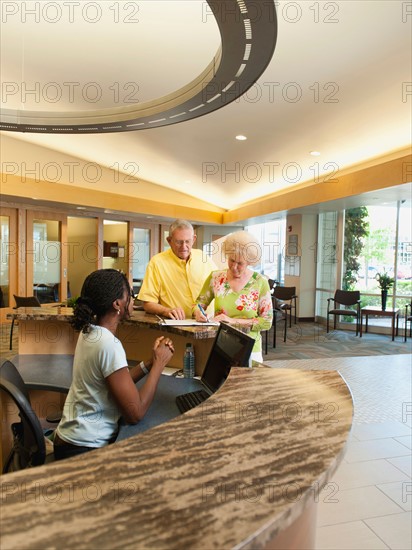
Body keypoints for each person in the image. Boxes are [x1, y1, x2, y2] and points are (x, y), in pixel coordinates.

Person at [54, 269, 174, 460]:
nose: (133, 301)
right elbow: (135, 413)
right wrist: (160, 365)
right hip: (84, 449)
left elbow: (116, 381)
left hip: (70, 440)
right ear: (117, 304)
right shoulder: (108, 344)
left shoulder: (90, 332)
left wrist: (150, 363)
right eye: (130, 295)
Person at [194, 231, 273, 362]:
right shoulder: (216, 277)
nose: (234, 267)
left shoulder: (260, 282)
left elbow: (267, 322)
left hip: (250, 348)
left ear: (249, 262)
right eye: (231, 260)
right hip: (220, 346)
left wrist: (232, 321)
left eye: (240, 263)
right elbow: (198, 304)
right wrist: (198, 312)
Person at [138, 219, 216, 319]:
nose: (184, 247)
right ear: (169, 241)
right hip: (177, 325)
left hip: (208, 323)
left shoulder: (203, 257)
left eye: (187, 241)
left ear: (194, 239)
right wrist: (166, 311)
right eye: (179, 242)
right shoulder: (157, 263)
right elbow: (148, 303)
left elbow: (220, 284)